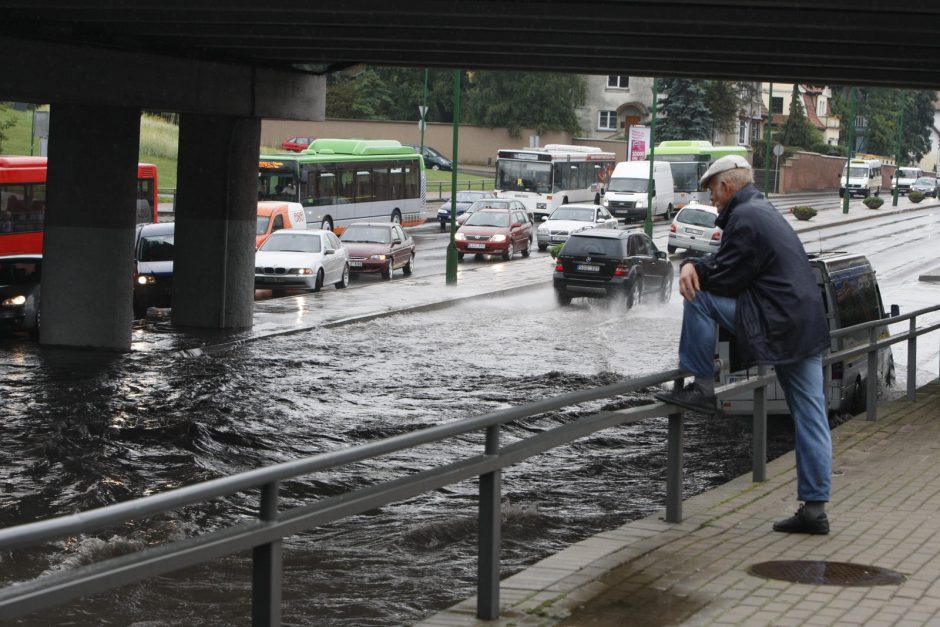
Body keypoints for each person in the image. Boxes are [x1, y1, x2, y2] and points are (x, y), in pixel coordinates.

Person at [654, 155, 833, 535]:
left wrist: (691, 268)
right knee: (812, 418)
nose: (711, 199)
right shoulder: (760, 209)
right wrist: (699, 262)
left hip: (778, 323)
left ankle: (702, 386)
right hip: (803, 325)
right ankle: (815, 509)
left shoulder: (746, 217)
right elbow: (733, 261)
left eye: (711, 191)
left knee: (696, 295)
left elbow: (728, 276)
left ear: (726, 186)